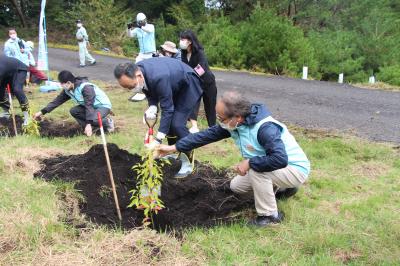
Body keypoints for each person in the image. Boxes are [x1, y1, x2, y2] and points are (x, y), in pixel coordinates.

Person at [157, 91, 311, 227]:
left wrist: (250, 162)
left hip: (294, 168)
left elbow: (280, 159)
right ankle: (284, 189)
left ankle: (270, 216)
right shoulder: (235, 125)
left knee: (258, 171)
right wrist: (173, 148)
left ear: (237, 117)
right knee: (236, 187)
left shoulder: (265, 128)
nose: (220, 121)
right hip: (274, 166)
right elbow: (204, 137)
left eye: (222, 118)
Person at [114, 57, 203, 177]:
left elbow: (168, 109)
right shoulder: (140, 71)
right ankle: (174, 150)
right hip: (173, 83)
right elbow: (148, 88)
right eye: (127, 88)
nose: (131, 89)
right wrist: (153, 106)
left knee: (176, 124)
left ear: (139, 76)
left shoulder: (158, 77)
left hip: (188, 84)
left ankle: (188, 157)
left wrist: (158, 138)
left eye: (132, 86)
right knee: (170, 123)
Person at [33, 70, 114, 136]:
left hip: (102, 105)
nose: (61, 86)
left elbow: (89, 105)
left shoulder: (85, 87)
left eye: (62, 84)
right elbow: (56, 102)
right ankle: (91, 128)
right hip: (90, 107)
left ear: (68, 82)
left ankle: (107, 121)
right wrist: (41, 112)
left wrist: (89, 123)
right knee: (74, 111)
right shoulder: (68, 90)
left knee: (93, 119)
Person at [180, 30, 218, 133]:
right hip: (194, 83)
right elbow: (183, 68)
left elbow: (202, 68)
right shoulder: (183, 54)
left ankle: (212, 128)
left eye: (183, 39)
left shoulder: (200, 52)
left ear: (190, 41)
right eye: (180, 39)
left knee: (210, 106)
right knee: (192, 102)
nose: (181, 41)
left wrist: (191, 74)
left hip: (208, 82)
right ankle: (194, 126)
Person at [126, 12, 156, 102]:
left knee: (151, 72)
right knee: (136, 68)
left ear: (145, 20)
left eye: (142, 21)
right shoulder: (138, 30)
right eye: (139, 22)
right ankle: (139, 88)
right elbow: (129, 35)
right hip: (142, 53)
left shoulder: (150, 26)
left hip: (151, 53)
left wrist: (140, 27)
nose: (140, 23)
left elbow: (149, 30)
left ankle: (153, 89)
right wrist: (128, 28)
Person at [0, 55, 31, 125]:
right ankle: (6, 112)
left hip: (19, 69)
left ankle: (27, 116)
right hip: (6, 73)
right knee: (0, 92)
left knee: (17, 89)